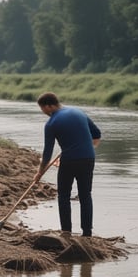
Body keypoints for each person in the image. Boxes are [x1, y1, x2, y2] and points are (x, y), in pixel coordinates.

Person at [35, 92, 101, 237]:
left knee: (63, 195)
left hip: (69, 161)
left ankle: (66, 231)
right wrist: (84, 146)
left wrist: (39, 172)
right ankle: (87, 233)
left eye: (42, 109)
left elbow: (47, 153)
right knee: (85, 195)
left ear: (48, 106)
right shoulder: (79, 112)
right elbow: (97, 134)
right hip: (88, 159)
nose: (43, 112)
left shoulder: (51, 123)